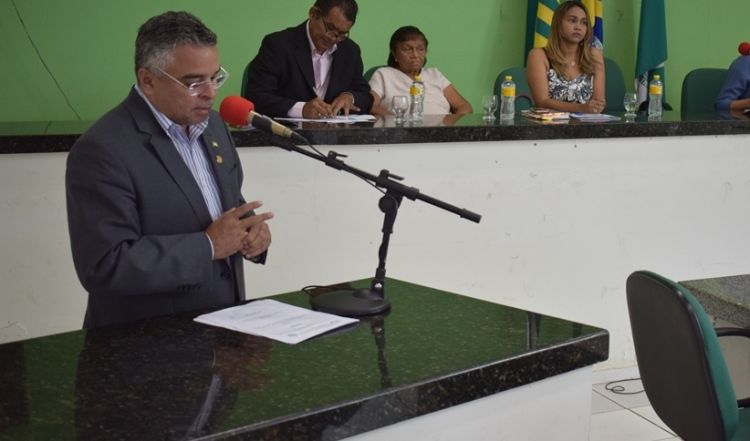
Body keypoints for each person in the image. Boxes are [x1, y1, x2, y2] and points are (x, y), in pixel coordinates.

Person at [66, 11, 272, 328]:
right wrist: (208, 246)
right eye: (193, 82)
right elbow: (105, 266)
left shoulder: (214, 125)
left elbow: (226, 208)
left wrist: (251, 234)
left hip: (224, 333)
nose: (210, 93)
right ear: (148, 80)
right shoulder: (103, 149)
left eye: (215, 77)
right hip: (145, 348)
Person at [243, 0, 372, 118]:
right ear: (313, 14)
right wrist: (301, 109)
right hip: (283, 135)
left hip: (334, 137)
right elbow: (256, 96)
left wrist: (350, 97)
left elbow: (365, 95)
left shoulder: (350, 51)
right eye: (330, 28)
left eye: (342, 34)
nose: (333, 38)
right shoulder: (278, 45)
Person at [368, 26, 473, 116]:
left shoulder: (434, 74)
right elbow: (369, 105)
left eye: (420, 49)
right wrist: (396, 120)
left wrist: (451, 126)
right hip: (402, 134)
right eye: (407, 49)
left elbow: (464, 106)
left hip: (441, 134)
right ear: (394, 53)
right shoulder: (384, 75)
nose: (415, 55)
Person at [526, 0, 605, 113]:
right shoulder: (539, 55)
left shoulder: (594, 55)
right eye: (572, 20)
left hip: (587, 124)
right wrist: (581, 108)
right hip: (550, 126)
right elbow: (542, 101)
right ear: (558, 23)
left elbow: (599, 102)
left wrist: (592, 108)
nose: (578, 27)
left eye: (584, 23)